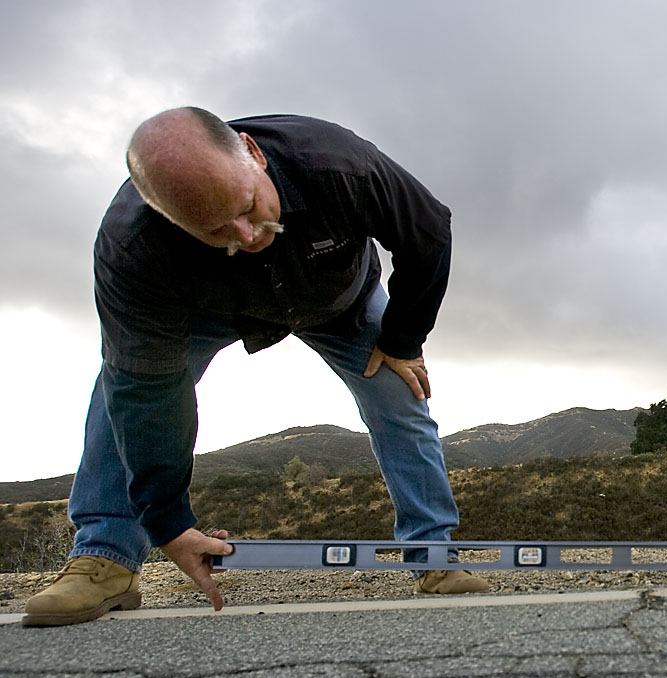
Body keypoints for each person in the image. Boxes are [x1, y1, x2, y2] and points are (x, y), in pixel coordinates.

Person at [23, 108, 489, 627]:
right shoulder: (134, 248)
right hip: (211, 310)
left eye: (247, 206)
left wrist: (403, 339)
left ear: (254, 153)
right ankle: (105, 558)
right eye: (215, 229)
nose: (247, 235)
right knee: (119, 392)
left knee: (401, 394)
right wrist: (168, 522)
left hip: (339, 299)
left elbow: (428, 234)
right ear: (170, 220)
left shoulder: (337, 165)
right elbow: (144, 394)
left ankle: (434, 556)